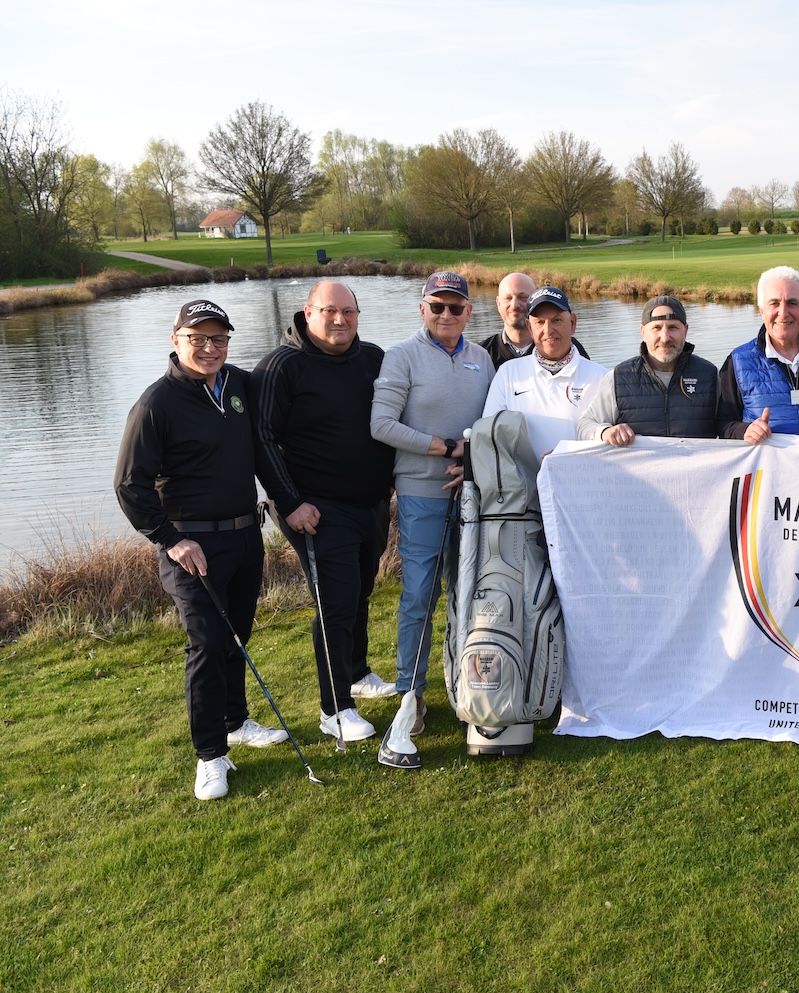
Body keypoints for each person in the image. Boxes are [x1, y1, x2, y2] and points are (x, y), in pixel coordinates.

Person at [114, 299, 285, 801]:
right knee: (208, 644)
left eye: (218, 339)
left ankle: (235, 721)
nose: (209, 348)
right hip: (191, 546)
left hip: (244, 537)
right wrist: (171, 540)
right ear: (176, 340)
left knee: (236, 635)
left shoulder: (236, 386)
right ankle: (210, 755)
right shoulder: (156, 404)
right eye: (198, 339)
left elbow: (268, 441)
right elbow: (130, 485)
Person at [252, 280, 397, 743]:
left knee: (359, 592)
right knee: (334, 603)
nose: (341, 320)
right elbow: (262, 440)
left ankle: (356, 672)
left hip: (370, 502)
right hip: (314, 509)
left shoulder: (373, 358)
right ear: (308, 312)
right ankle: (334, 709)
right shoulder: (281, 366)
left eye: (349, 312)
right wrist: (290, 503)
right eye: (330, 311)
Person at [370, 272, 495, 746]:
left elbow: (491, 424)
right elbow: (381, 424)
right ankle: (411, 693)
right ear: (423, 309)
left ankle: (469, 684)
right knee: (420, 595)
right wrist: (441, 448)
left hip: (472, 492)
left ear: (468, 312)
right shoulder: (401, 357)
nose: (447, 315)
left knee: (469, 593)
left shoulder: (482, 359)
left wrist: (473, 456)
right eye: (437, 306)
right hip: (422, 493)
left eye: (456, 308)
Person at [481, 286, 608, 462]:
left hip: (580, 485)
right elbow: (489, 436)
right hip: (523, 486)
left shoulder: (602, 377)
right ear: (529, 328)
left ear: (572, 323)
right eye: (540, 322)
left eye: (556, 320)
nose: (548, 331)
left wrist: (571, 454)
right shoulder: (508, 373)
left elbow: (610, 442)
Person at [716, 265, 799, 443]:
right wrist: (744, 430)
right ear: (761, 311)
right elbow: (723, 424)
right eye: (774, 303)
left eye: (792, 303)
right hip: (768, 469)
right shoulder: (737, 361)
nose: (783, 313)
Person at [577, 295, 719, 444]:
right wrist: (605, 432)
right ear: (643, 332)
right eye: (656, 328)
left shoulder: (710, 375)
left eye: (673, 327)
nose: (665, 338)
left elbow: (729, 426)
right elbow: (584, 426)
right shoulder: (618, 377)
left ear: (685, 330)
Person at [478, 271, 590, 369]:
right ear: (498, 303)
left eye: (522, 298)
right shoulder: (481, 354)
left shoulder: (567, 347)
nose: (514, 305)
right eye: (508, 298)